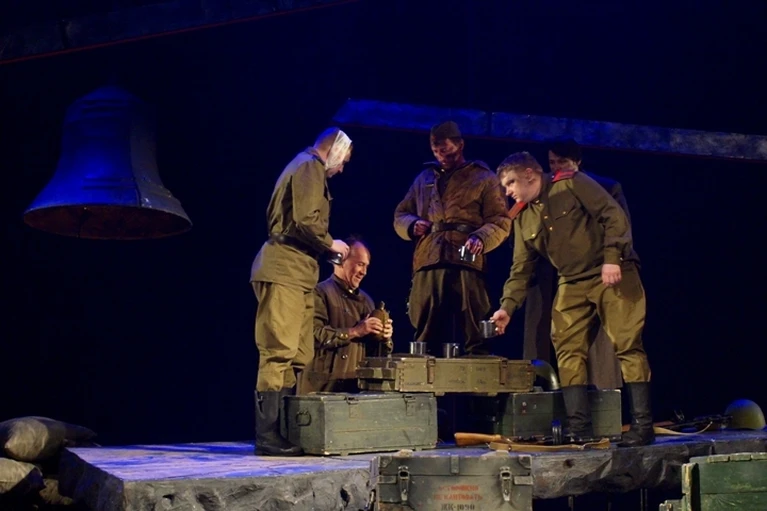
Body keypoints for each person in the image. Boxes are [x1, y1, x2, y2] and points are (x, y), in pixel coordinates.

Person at [491, 151, 654, 447]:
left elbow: (613, 216)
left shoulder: (572, 184)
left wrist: (612, 258)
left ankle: (643, 426)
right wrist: (507, 307)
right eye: (505, 186)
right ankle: (580, 428)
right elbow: (521, 268)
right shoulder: (523, 216)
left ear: (530, 174)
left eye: (511, 183)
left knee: (627, 344)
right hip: (572, 280)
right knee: (567, 347)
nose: (508, 191)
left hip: (610, 270)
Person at [249, 127, 353, 456]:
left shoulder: (308, 167)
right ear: (335, 151)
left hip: (301, 271)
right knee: (278, 351)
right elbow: (306, 220)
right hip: (284, 268)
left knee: (299, 354)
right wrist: (331, 243)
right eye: (344, 161)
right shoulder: (309, 166)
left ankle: (283, 429)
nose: (342, 169)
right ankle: (268, 436)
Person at [393, 121, 511, 355]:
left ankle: (477, 364)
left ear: (460, 145)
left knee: (474, 318)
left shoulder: (483, 177)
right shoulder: (424, 178)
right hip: (430, 256)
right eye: (436, 151)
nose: (441, 156)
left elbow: (500, 220)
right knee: (424, 320)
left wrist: (481, 237)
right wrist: (412, 224)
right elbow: (400, 214)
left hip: (466, 256)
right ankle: (422, 365)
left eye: (446, 151)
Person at [523, 138, 629, 390]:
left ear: (577, 162)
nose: (556, 168)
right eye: (551, 162)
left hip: (592, 272)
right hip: (549, 277)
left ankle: (599, 400)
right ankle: (546, 395)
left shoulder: (604, 187)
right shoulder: (540, 191)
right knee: (547, 341)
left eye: (562, 162)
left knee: (594, 345)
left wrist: (610, 261)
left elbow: (619, 226)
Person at [299, 237, 394, 394]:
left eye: (366, 266)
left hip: (354, 391)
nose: (364, 272)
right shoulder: (319, 293)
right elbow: (312, 335)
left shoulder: (367, 301)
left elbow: (374, 356)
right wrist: (355, 331)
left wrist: (384, 339)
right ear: (340, 261)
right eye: (360, 264)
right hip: (321, 390)